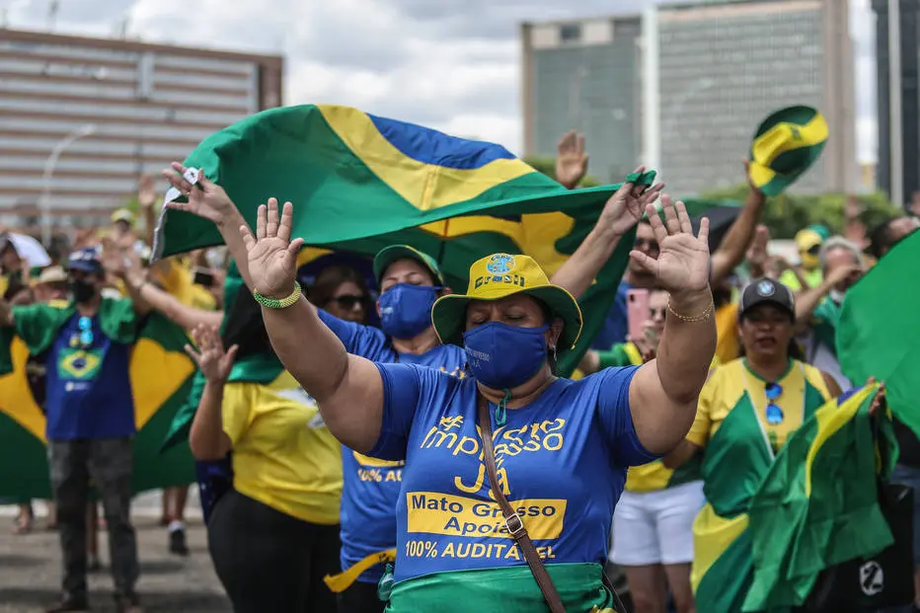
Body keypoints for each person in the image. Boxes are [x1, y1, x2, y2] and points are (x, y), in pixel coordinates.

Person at [160, 158, 665, 613]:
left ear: (446, 299)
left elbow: (546, 298)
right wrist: (231, 222)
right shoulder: (363, 353)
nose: (398, 291)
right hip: (366, 567)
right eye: (388, 285)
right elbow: (283, 304)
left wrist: (607, 228)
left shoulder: (475, 358)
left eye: (411, 281)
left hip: (466, 571)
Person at [665, 277, 842, 613]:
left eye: (777, 319)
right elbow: (674, 459)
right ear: (740, 328)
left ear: (792, 328)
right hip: (727, 540)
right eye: (756, 319)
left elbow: (842, 460)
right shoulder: (714, 382)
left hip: (798, 540)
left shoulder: (822, 383)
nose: (766, 328)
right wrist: (668, 396)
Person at [0, 247, 147, 613]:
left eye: (84, 275)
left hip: (111, 430)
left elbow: (144, 308)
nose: (77, 282)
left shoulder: (117, 312)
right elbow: (7, 316)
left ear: (99, 279)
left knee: (117, 515)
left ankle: (125, 592)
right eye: (74, 275)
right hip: (64, 432)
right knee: (68, 514)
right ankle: (73, 592)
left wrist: (126, 275)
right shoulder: (52, 317)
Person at [186, 291, 342, 613]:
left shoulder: (330, 368)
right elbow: (206, 449)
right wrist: (214, 386)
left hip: (336, 530)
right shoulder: (248, 378)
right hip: (263, 528)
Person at [584, 288, 703, 613]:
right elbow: (588, 359)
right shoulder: (625, 354)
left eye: (663, 315)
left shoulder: (700, 361)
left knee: (687, 602)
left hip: (680, 492)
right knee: (644, 604)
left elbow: (677, 456)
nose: (653, 322)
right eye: (650, 313)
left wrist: (662, 380)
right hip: (630, 497)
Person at [793, 236, 865, 388]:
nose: (846, 277)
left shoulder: (873, 304)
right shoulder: (820, 310)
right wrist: (828, 284)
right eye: (838, 271)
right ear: (826, 274)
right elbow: (792, 320)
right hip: (834, 395)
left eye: (851, 270)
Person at [779, 225, 829, 291]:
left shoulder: (826, 273)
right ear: (800, 252)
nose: (815, 253)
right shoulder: (788, 277)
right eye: (811, 250)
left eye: (817, 249)